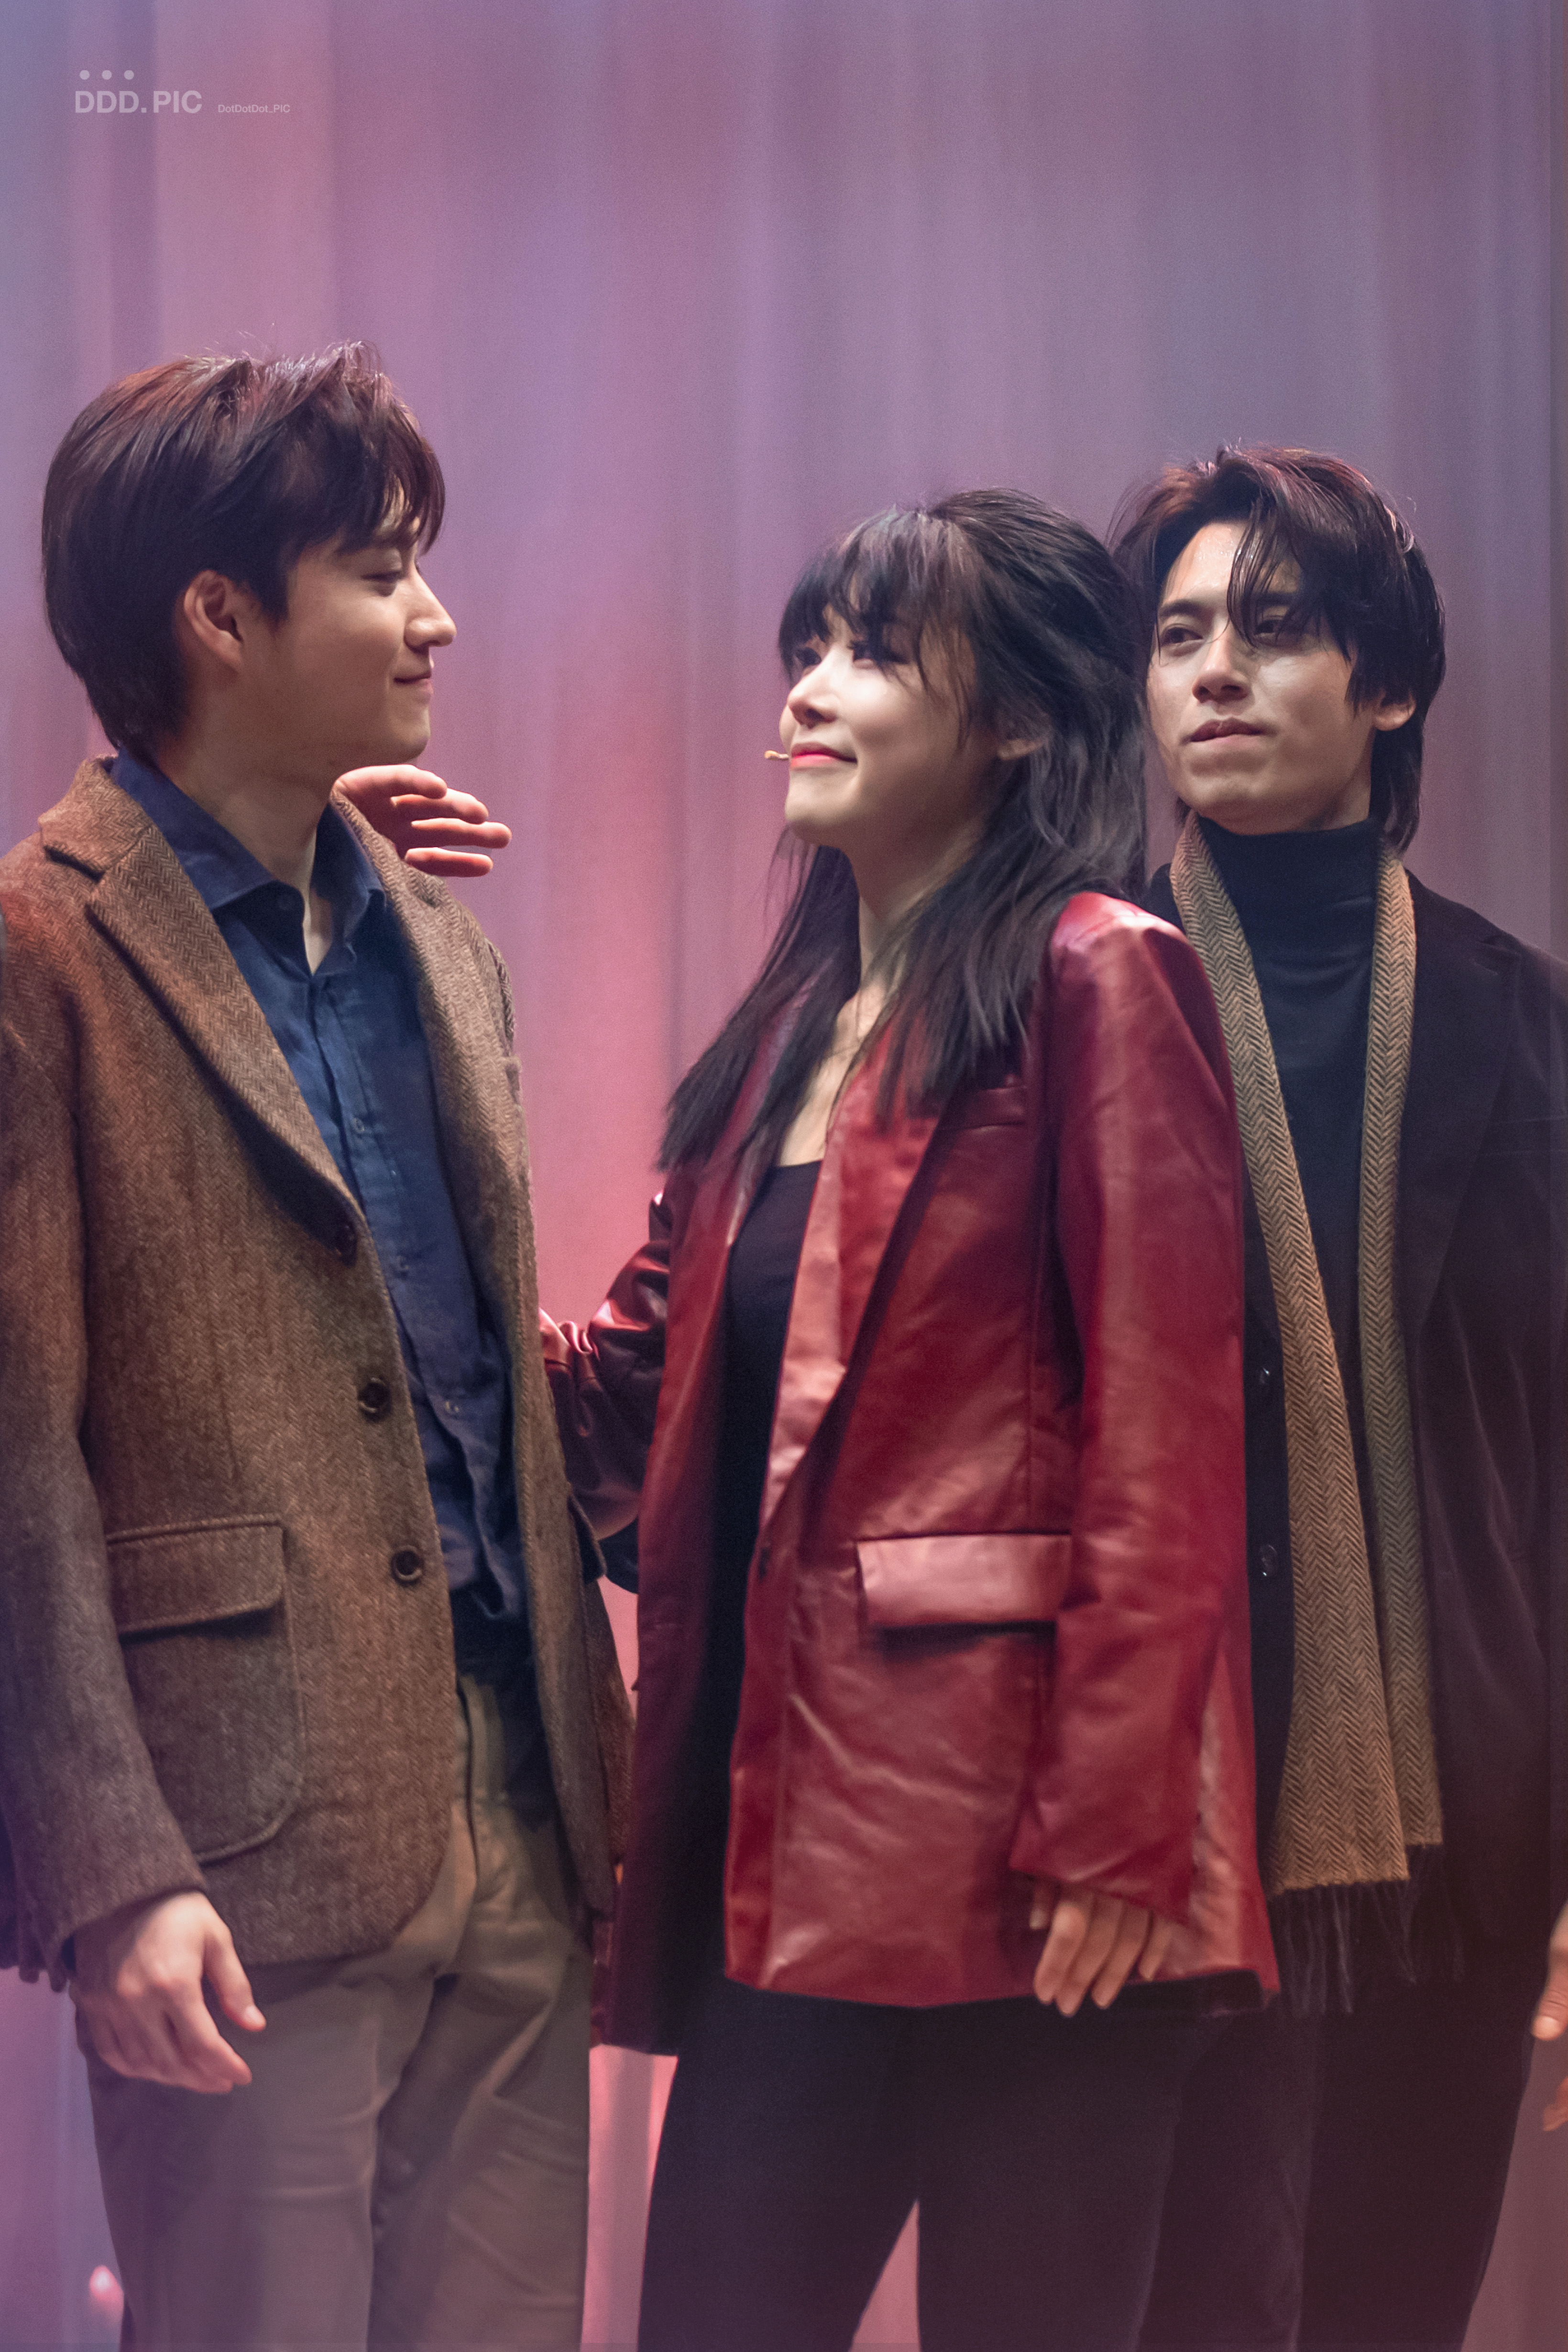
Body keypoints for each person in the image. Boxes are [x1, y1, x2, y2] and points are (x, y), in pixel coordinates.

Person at [537, 490, 1276, 2352]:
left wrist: (1122, 1834)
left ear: (1013, 722)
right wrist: (353, 963)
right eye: (807, 648)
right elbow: (618, 1412)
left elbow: (1170, 1437)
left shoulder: (1100, 968)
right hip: (792, 1858)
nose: (807, 690)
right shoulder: (784, 1033)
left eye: (870, 654)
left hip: (1042, 1878)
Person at [0, 345, 632, 2351]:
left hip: (518, 1790)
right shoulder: (36, 953)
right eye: (379, 570)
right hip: (237, 1845)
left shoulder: (432, 934)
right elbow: (16, 1467)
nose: (432, 616)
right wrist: (110, 1872)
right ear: (218, 613)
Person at [1108, 446, 1567, 2352]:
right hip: (1150, 1843)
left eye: (1273, 628)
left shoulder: (1522, 1023)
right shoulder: (1064, 988)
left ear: (1386, 680)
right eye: (1176, 635)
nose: (1212, 670)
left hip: (1468, 1837)